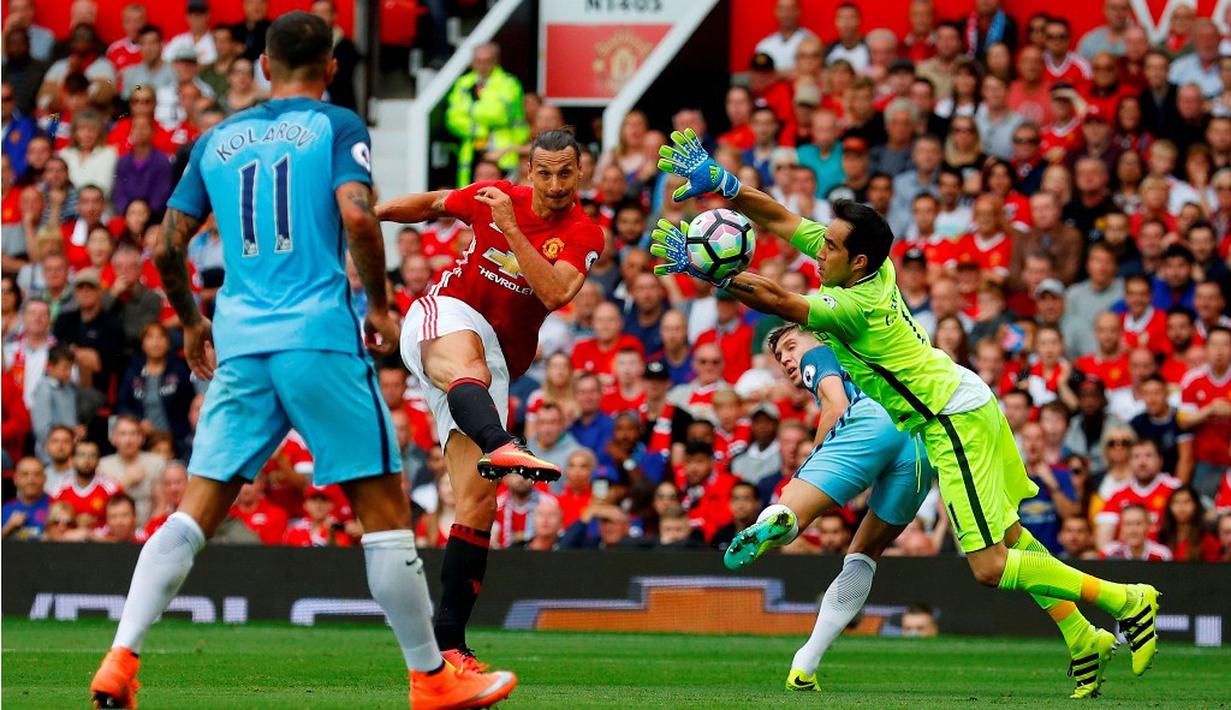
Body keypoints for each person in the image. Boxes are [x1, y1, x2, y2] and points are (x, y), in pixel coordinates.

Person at [87, 14, 516, 709]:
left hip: (241, 342)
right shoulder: (337, 126)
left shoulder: (215, 139)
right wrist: (377, 306)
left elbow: (166, 248)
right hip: (316, 335)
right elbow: (356, 216)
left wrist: (194, 320)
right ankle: (431, 677)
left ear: (262, 65)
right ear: (332, 65)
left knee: (192, 513)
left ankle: (119, 659)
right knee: (383, 511)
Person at [657, 128, 1160, 698]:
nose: (819, 250)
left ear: (858, 259)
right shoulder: (871, 266)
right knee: (1012, 533)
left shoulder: (853, 306)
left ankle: (1125, 598)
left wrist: (718, 274)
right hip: (963, 398)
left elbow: (777, 301)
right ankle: (1081, 636)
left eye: (830, 248)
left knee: (990, 565)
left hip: (951, 420)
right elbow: (780, 219)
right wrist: (725, 186)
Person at [376, 126, 601, 668]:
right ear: (529, 171)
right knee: (467, 365)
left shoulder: (584, 233)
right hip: (446, 314)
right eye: (543, 172)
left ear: (580, 173)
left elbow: (553, 292)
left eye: (564, 172)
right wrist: (371, 214)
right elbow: (431, 204)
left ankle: (448, 645)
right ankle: (501, 440)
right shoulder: (496, 195)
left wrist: (509, 229)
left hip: (495, 363)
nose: (553, 183)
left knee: (478, 505)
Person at [721, 324, 935, 691]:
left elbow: (837, 404)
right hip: (918, 443)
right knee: (864, 553)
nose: (789, 358)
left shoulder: (820, 351)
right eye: (780, 356)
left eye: (791, 346)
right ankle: (804, 666)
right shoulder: (870, 349)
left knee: (790, 508)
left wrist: (811, 466)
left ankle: (780, 519)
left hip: (871, 417)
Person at [444, 43, 528, 186]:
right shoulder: (463, 83)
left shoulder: (508, 83)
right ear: (472, 62)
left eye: (487, 61)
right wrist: (478, 129)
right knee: (471, 196)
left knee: (503, 195)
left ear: (495, 61)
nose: (482, 66)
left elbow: (499, 114)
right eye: (478, 61)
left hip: (503, 151)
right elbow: (452, 118)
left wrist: (469, 108)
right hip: (473, 150)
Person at [1178, 326, 1231, 501]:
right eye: (1214, 345)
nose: (1219, 351)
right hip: (1205, 460)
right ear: (1206, 348)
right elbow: (1183, 420)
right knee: (1203, 506)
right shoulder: (1193, 379)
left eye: (1225, 345)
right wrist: (1209, 410)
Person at [754, 0, 815, 72]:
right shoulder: (764, 45)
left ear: (799, 11)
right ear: (776, 12)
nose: (786, 14)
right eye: (782, 9)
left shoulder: (810, 40)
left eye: (791, 9)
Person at [2, 456, 49, 540]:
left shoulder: (55, 506)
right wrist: (9, 526)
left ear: (44, 478)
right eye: (25, 474)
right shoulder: (4, 510)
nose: (31, 480)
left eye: (37, 474)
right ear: (16, 479)